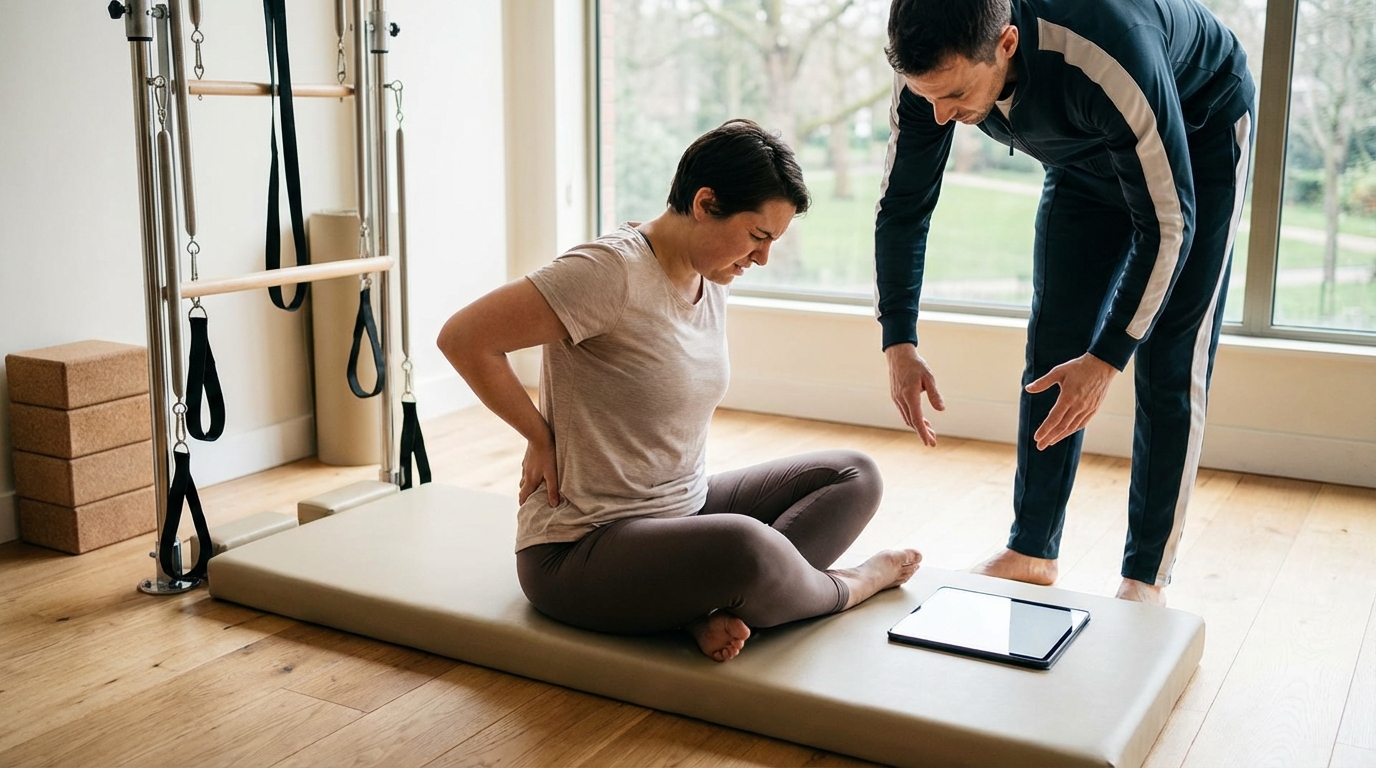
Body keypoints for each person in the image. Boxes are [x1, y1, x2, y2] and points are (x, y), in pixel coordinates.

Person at [439, 119, 922, 662]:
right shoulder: (608, 272)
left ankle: (706, 609)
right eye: (758, 236)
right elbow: (465, 338)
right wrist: (540, 435)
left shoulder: (710, 273)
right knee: (743, 546)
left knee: (854, 475)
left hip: (680, 513)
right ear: (705, 202)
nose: (763, 258)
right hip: (582, 547)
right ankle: (848, 586)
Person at [875, 0, 1255, 605]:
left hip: (1198, 131)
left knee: (1168, 362)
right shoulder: (928, 71)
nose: (941, 116)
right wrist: (899, 339)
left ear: (1005, 44)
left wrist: (1106, 359)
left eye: (953, 96)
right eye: (928, 98)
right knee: (1054, 344)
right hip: (1081, 156)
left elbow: (1168, 225)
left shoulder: (1106, 50)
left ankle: (1145, 578)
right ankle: (1031, 551)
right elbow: (902, 206)